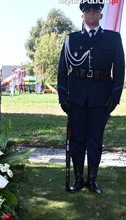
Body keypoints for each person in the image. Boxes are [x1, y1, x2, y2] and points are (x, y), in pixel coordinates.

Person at [57, 2, 124, 194]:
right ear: (82, 15)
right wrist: (63, 96)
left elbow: (119, 70)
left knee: (95, 140)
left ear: (101, 15)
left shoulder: (113, 38)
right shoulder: (72, 39)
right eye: (88, 11)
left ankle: (92, 180)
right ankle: (78, 180)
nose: (92, 13)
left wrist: (115, 96)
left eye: (96, 10)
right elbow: (62, 70)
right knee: (77, 140)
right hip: (76, 99)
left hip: (101, 100)